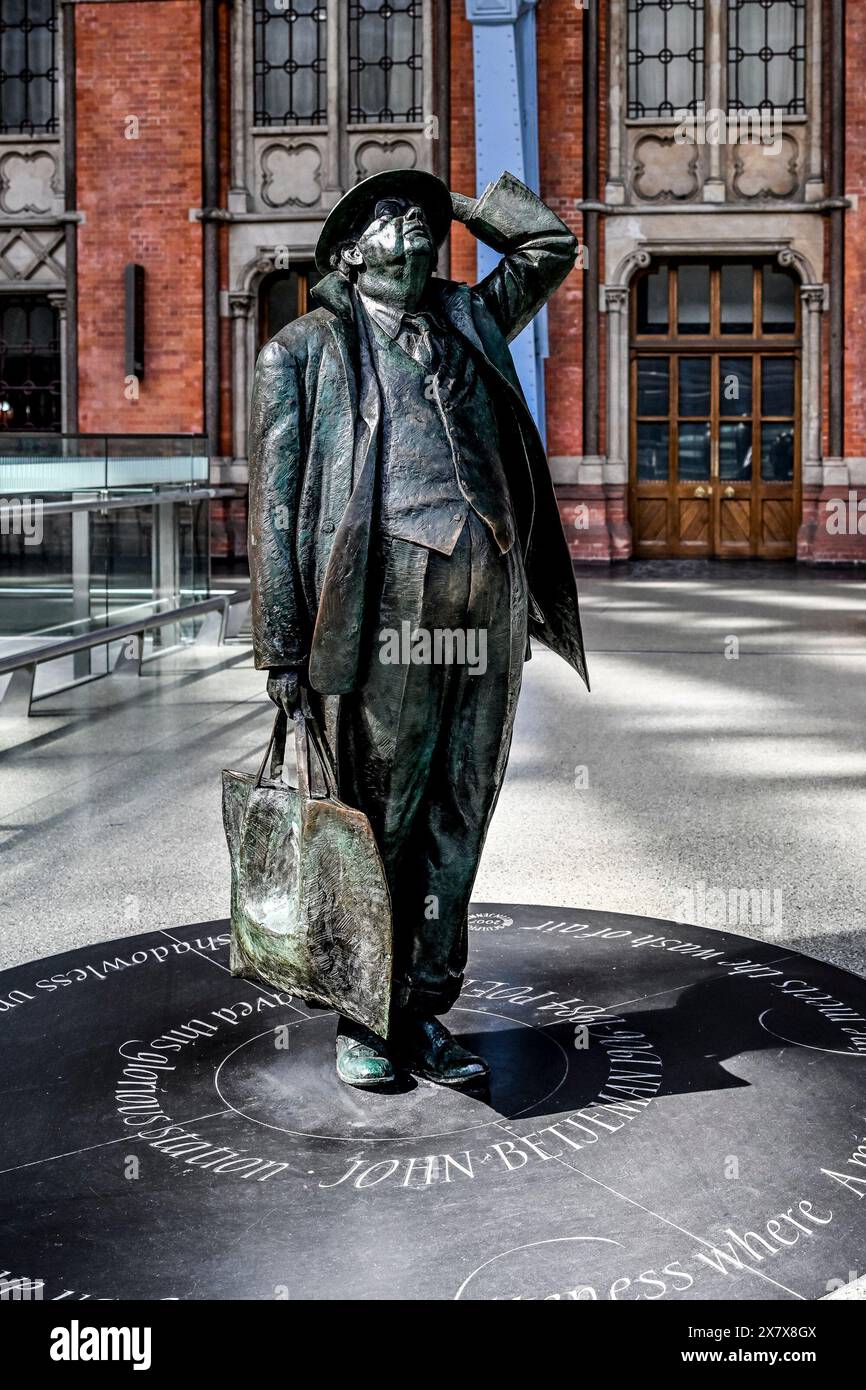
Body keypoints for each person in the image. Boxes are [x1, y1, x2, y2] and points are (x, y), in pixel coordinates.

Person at [248, 168, 588, 1089]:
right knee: (384, 819)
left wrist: (467, 205)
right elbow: (274, 514)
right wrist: (283, 647)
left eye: (421, 217)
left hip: (489, 602)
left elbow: (552, 245)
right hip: (386, 608)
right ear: (349, 254)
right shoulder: (305, 353)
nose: (415, 226)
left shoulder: (471, 319)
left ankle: (425, 1007)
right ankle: (366, 1012)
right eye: (392, 217)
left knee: (460, 810)